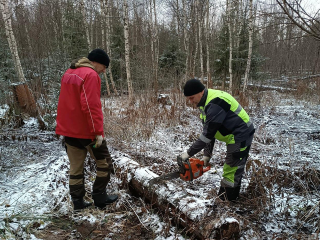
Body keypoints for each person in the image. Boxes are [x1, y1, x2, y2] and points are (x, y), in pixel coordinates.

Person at [55, 49, 118, 210]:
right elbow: (91, 106)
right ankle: (100, 197)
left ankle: (77, 202)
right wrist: (98, 132)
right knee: (105, 163)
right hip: (86, 131)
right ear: (95, 62)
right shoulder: (91, 75)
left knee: (76, 166)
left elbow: (64, 102)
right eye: (104, 66)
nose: (104, 71)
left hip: (68, 131)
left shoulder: (68, 73)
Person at [180, 79, 255, 201]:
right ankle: (231, 197)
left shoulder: (216, 103)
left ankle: (226, 201)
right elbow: (210, 131)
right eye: (188, 99)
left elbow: (207, 135)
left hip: (240, 134)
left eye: (192, 98)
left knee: (231, 169)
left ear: (201, 91)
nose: (191, 101)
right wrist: (207, 155)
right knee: (233, 168)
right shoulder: (205, 103)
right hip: (232, 134)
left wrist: (188, 153)